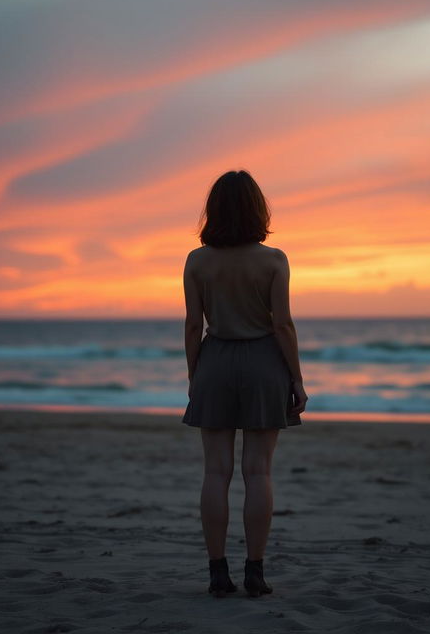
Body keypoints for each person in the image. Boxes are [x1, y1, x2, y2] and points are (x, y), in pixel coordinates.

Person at [181, 169, 308, 598]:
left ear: (213, 210)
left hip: (215, 360)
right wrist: (297, 379)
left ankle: (218, 573)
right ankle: (255, 571)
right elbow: (283, 325)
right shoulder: (274, 260)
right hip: (263, 364)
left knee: (216, 472)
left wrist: (193, 376)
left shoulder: (197, 261)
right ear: (258, 208)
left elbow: (193, 324)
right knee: (259, 471)